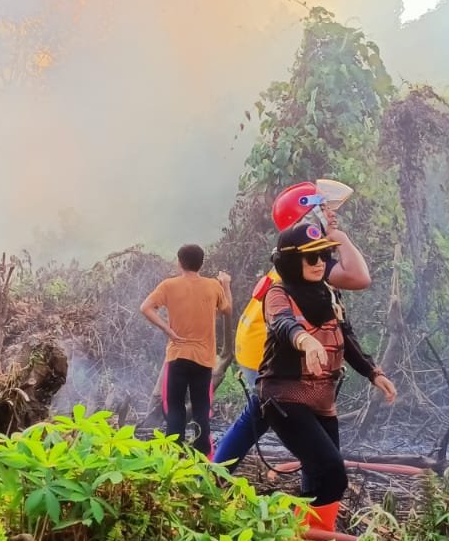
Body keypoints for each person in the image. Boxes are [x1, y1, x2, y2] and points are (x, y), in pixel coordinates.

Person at [212, 182, 372, 473]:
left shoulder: (305, 253)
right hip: (265, 347)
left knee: (261, 418)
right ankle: (210, 479)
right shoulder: (306, 257)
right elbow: (359, 278)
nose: (332, 215)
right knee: (277, 418)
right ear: (308, 218)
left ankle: (211, 477)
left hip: (257, 343)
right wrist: (343, 239)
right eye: (323, 209)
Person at [260, 223, 397, 531]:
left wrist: (374, 373)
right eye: (312, 258)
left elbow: (345, 338)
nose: (320, 262)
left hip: (322, 399)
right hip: (285, 396)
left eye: (323, 254)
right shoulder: (277, 293)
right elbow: (283, 325)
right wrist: (306, 341)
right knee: (334, 471)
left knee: (319, 474)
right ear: (290, 261)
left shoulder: (327, 293)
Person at [140, 244, 232, 455]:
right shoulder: (212, 286)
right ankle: (203, 458)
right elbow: (227, 309)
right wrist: (225, 284)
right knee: (201, 410)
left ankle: (173, 456)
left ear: (179, 262)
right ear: (201, 263)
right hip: (204, 360)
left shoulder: (169, 285)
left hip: (177, 356)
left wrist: (167, 329)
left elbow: (145, 307)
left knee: (174, 408)